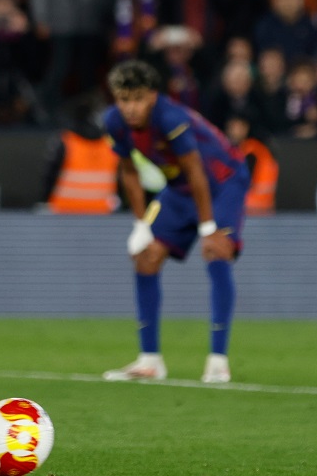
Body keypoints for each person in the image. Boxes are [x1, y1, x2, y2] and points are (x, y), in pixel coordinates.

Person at [100, 60, 250, 384]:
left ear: (152, 96)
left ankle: (217, 361)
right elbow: (129, 171)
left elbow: (197, 171)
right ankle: (150, 360)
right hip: (180, 189)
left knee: (216, 252)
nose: (129, 107)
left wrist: (208, 227)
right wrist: (141, 225)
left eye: (137, 98)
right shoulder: (114, 122)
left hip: (223, 182)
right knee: (146, 256)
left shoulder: (171, 118)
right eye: (123, 99)